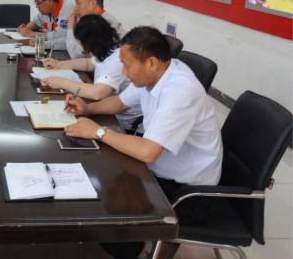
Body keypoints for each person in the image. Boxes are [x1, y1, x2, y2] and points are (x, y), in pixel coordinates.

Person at [64, 26, 223, 259]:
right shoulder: (158, 74)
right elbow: (120, 102)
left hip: (187, 191)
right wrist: (87, 109)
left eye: (127, 65)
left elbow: (148, 152)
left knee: (100, 212)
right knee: (95, 181)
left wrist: (98, 131)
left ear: (151, 62)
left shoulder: (180, 91)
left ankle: (141, 253)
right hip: (161, 169)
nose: (124, 72)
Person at [41, 14, 141, 132]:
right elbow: (88, 63)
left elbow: (97, 93)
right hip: (108, 112)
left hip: (122, 124)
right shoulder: (107, 50)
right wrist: (59, 64)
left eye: (80, 43)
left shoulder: (116, 61)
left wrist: (62, 82)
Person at [50, 0, 126, 58]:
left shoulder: (101, 24)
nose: (75, 8)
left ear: (93, 4)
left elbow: (76, 54)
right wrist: (74, 27)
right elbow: (77, 44)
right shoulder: (95, 21)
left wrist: (70, 27)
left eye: (78, 3)